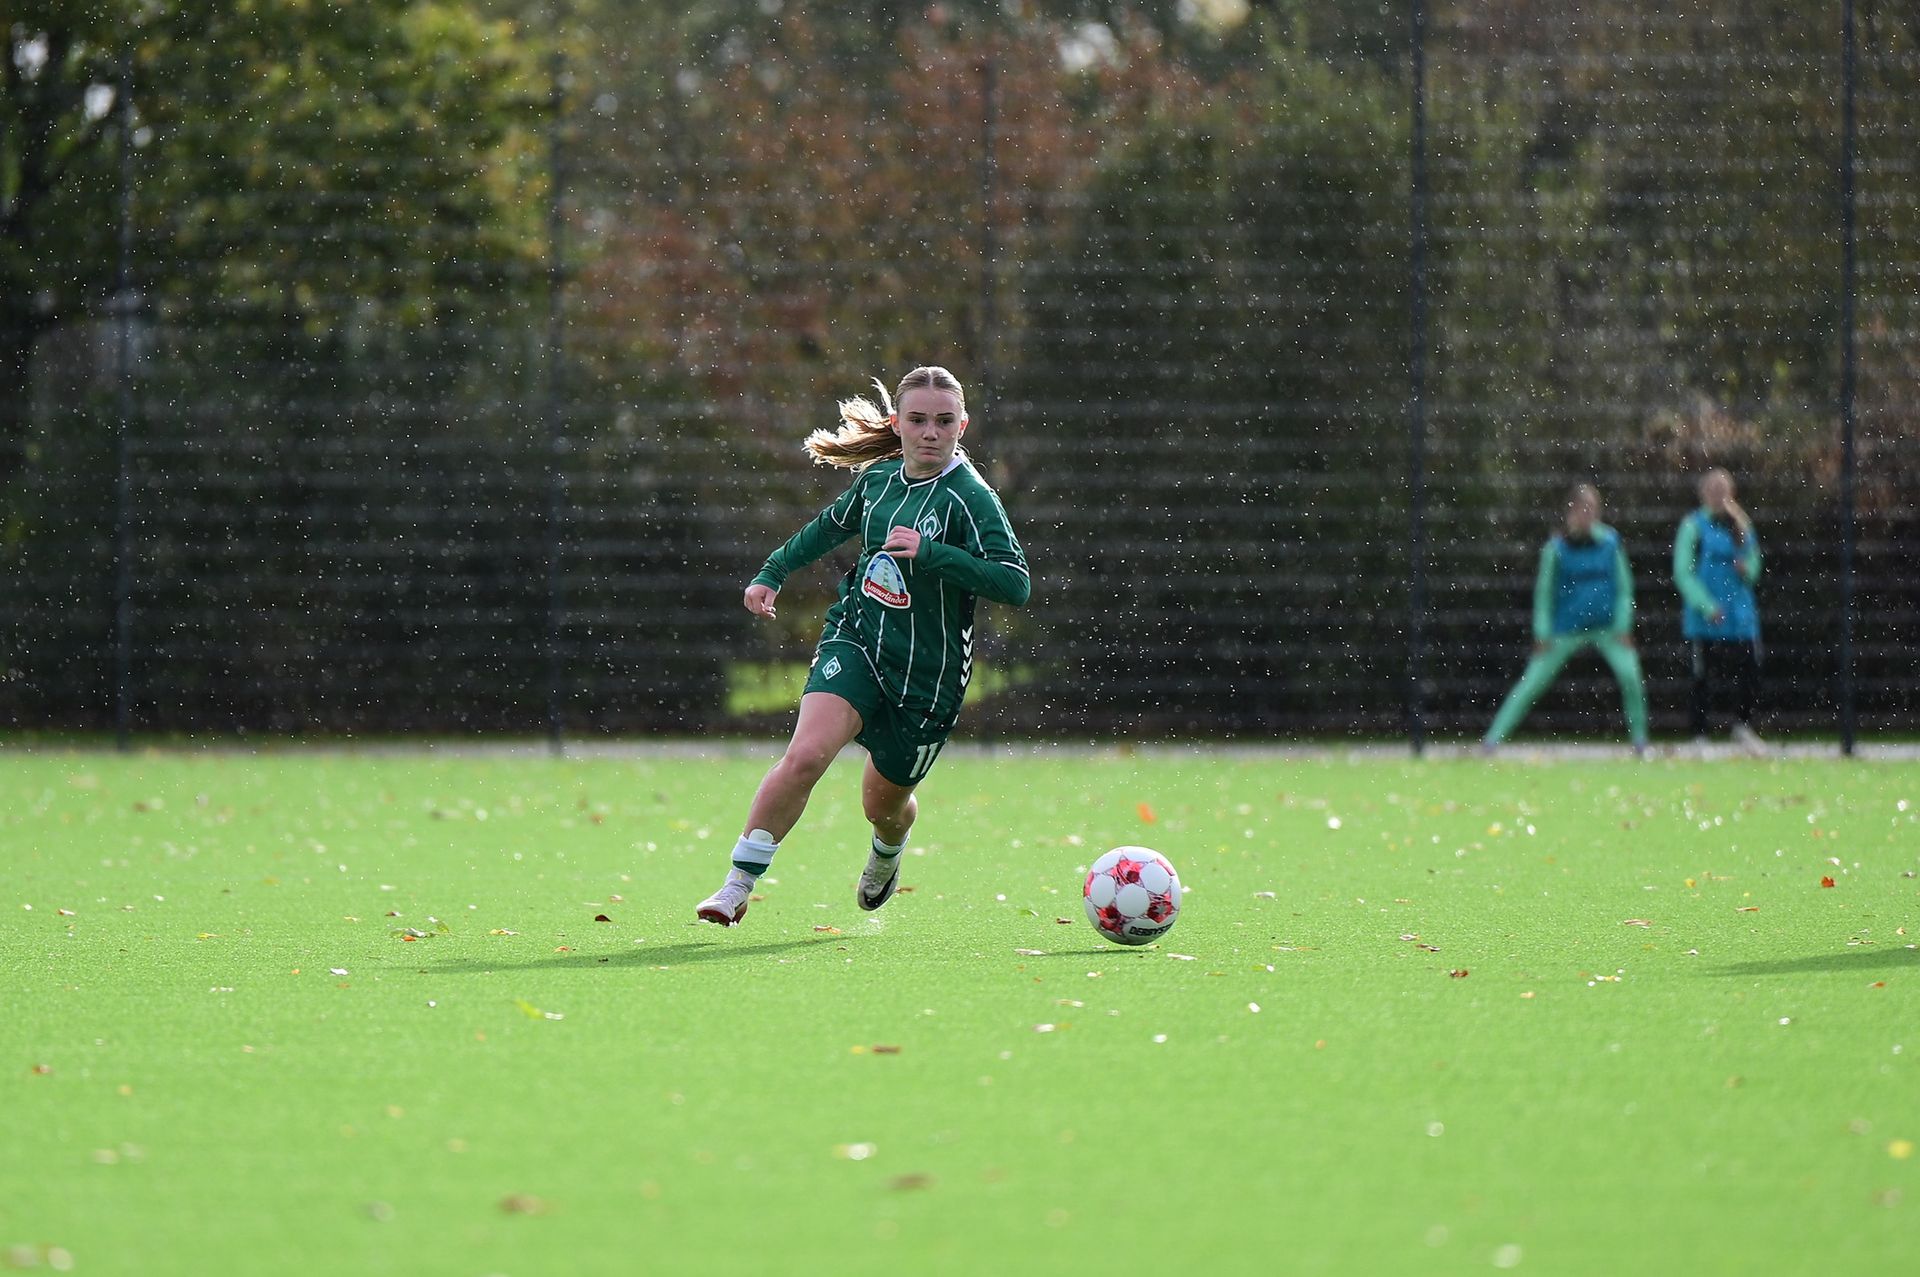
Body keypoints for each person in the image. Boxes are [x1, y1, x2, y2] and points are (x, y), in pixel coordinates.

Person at [695, 366, 1030, 926]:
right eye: (918, 420)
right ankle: (736, 886)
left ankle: (887, 852)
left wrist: (932, 554)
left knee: (884, 806)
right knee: (804, 758)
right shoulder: (878, 481)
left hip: (928, 677)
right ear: (897, 423)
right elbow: (828, 527)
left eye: (944, 422)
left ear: (962, 426)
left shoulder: (972, 498)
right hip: (857, 641)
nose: (930, 432)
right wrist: (773, 572)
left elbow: (1015, 583)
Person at [1482, 483, 1649, 755]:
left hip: (1607, 627)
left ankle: (1640, 742)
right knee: (1532, 682)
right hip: (1565, 628)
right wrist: (1542, 633)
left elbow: (1624, 589)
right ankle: (1492, 741)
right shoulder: (1555, 549)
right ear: (1569, 512)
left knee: (1630, 675)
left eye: (1592, 508)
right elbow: (1544, 593)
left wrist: (1623, 625)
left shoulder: (1610, 543)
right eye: (1581, 508)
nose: (1587, 514)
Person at [1674, 467, 1766, 755]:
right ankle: (1700, 737)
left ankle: (1742, 728)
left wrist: (1747, 570)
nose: (1718, 495)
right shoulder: (1693, 526)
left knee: (1749, 669)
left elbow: (1754, 563)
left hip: (1740, 615)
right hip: (1706, 618)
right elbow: (1683, 573)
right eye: (1713, 489)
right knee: (1703, 676)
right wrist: (1706, 606)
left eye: (1723, 490)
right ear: (1703, 493)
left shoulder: (1741, 524)